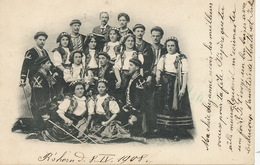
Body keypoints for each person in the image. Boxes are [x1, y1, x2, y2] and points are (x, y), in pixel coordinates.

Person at [156, 36, 193, 141]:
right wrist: (158, 75)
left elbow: (185, 73)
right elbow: (159, 68)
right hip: (165, 84)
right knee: (164, 105)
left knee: (177, 107)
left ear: (176, 47)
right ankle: (165, 130)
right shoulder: (164, 57)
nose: (170, 48)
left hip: (177, 84)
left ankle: (177, 132)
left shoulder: (181, 58)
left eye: (172, 46)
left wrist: (183, 88)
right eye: (168, 46)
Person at [113, 34, 144, 104]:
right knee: (121, 94)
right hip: (123, 76)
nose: (130, 43)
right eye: (128, 41)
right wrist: (119, 80)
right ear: (124, 42)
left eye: (132, 41)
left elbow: (141, 68)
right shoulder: (121, 54)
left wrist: (141, 78)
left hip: (134, 76)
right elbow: (116, 68)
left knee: (133, 94)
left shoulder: (138, 54)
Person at [30, 56, 57, 131]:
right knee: (45, 131)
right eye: (48, 63)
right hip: (39, 109)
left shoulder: (47, 75)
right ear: (42, 65)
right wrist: (44, 113)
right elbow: (37, 97)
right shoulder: (38, 77)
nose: (50, 65)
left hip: (48, 107)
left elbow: (51, 91)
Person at [148, 26, 167, 134]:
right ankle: (150, 126)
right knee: (150, 100)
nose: (155, 38)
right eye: (153, 36)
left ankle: (162, 127)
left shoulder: (165, 48)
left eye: (157, 36)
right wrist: (149, 74)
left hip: (162, 75)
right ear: (151, 36)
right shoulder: (147, 47)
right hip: (149, 75)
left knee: (161, 100)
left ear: (161, 37)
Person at [122, 58, 146, 136]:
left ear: (137, 67)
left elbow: (140, 99)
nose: (129, 67)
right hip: (129, 107)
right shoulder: (131, 78)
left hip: (136, 110)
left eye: (131, 65)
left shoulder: (140, 80)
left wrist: (134, 113)